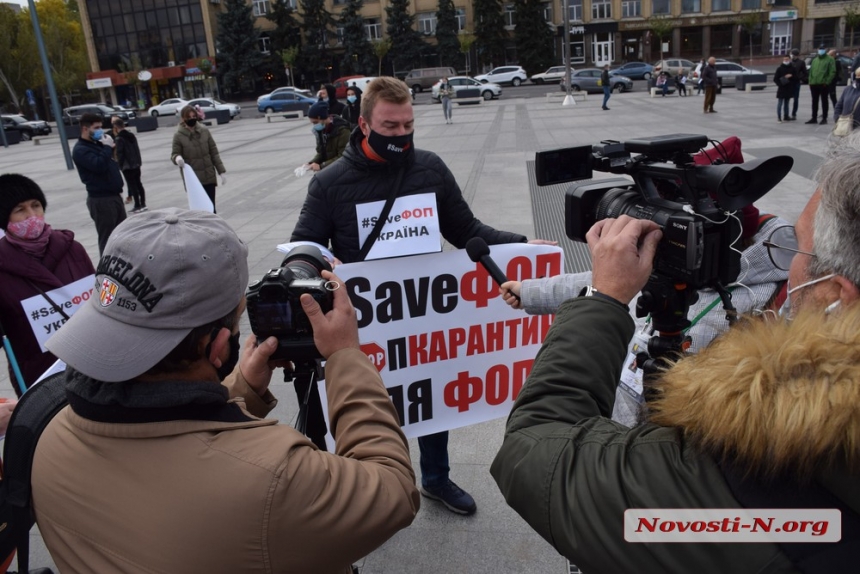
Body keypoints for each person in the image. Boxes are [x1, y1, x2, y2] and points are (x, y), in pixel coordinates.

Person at [490, 133, 860, 572]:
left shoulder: (756, 446)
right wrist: (533, 292)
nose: (792, 260)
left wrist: (603, 301)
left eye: (799, 248)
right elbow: (607, 277)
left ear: (839, 296)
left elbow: (534, 455)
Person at [32, 208, 419, 573]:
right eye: (236, 322)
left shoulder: (49, 435)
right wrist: (345, 356)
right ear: (218, 348)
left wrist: (242, 390)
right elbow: (393, 490)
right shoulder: (274, 480)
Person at [290, 76, 555, 515]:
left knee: (428, 397)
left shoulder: (429, 169)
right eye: (390, 127)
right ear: (365, 122)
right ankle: (361, 490)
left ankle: (435, 479)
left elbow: (469, 232)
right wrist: (321, 267)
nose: (402, 135)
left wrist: (526, 245)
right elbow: (305, 247)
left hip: (423, 317)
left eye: (408, 126)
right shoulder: (330, 184)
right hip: (365, 321)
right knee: (364, 408)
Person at [0, 174, 95, 396]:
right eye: (20, 210)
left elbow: (98, 296)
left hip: (90, 360)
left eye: (36, 205)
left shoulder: (73, 248)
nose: (32, 215)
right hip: (41, 374)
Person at [72, 113, 127, 255]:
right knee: (107, 239)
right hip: (101, 200)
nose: (100, 131)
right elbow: (98, 166)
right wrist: (107, 148)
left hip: (114, 196)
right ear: (85, 129)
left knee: (123, 235)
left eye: (101, 127)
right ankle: (106, 271)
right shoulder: (81, 150)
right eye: (96, 128)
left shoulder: (97, 145)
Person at [171, 105, 226, 213]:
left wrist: (221, 171)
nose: (192, 119)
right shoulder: (178, 135)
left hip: (208, 175)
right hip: (193, 180)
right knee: (199, 212)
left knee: (211, 209)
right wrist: (177, 158)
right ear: (183, 118)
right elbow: (174, 154)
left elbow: (213, 152)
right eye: (189, 117)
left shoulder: (204, 131)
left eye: (194, 116)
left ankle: (214, 229)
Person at [111, 117, 147, 213]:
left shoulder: (119, 138)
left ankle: (137, 205)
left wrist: (120, 164)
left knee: (132, 185)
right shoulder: (131, 135)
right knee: (138, 183)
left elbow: (120, 153)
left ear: (116, 127)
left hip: (127, 166)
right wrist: (138, 162)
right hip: (136, 163)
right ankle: (143, 203)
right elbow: (136, 149)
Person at [305, 101, 351, 172]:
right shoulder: (321, 131)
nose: (315, 126)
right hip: (329, 169)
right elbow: (321, 153)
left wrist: (321, 166)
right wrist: (310, 163)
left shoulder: (343, 131)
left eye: (315, 122)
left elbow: (344, 156)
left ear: (321, 117)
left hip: (343, 171)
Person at [806, 46, 836, 125]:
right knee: (814, 101)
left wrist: (827, 82)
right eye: (819, 49)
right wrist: (810, 81)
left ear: (825, 50)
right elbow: (811, 71)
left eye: (822, 49)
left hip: (823, 84)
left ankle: (824, 118)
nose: (820, 51)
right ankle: (814, 117)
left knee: (824, 101)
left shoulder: (830, 59)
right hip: (814, 83)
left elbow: (832, 72)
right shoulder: (815, 60)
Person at [774, 55, 797, 123]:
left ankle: (786, 116)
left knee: (787, 103)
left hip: (789, 88)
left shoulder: (792, 68)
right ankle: (779, 117)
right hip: (782, 88)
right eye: (784, 59)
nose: (785, 60)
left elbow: (796, 78)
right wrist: (781, 82)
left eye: (787, 59)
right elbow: (775, 79)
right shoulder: (779, 68)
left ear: (789, 59)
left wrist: (791, 76)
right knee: (780, 103)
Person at [789, 47, 808, 121]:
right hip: (790, 82)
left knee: (796, 99)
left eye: (793, 54)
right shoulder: (790, 62)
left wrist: (800, 78)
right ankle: (786, 113)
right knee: (787, 98)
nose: (792, 56)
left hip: (796, 82)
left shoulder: (801, 62)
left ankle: (794, 113)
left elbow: (805, 72)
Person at [828, 49, 843, 116]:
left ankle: (836, 110)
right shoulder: (829, 61)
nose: (829, 56)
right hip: (827, 81)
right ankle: (825, 111)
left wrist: (837, 79)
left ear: (834, 55)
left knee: (833, 96)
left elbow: (839, 71)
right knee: (825, 97)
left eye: (830, 55)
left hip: (832, 81)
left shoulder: (836, 62)